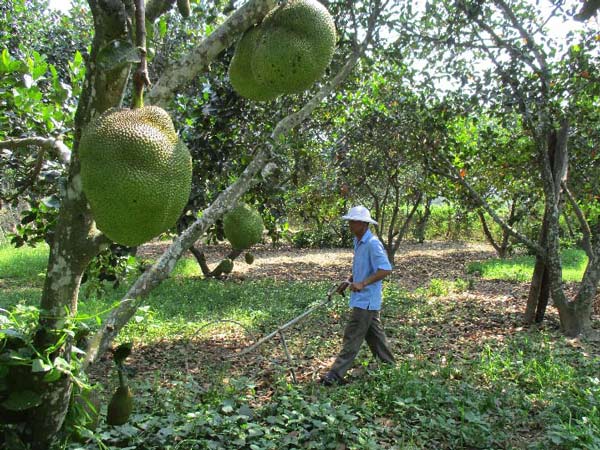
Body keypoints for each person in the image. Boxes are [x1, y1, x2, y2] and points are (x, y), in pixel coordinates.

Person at [320, 205, 395, 386]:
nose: (350, 225)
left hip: (366, 300)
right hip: (363, 300)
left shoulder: (372, 243)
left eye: (353, 222)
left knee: (352, 336)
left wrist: (363, 283)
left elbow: (385, 269)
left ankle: (335, 375)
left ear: (363, 224)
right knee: (374, 336)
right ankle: (390, 367)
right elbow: (362, 268)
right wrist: (348, 281)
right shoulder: (358, 241)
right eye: (350, 221)